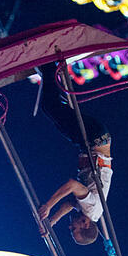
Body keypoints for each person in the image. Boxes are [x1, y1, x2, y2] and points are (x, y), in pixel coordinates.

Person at [35, 61, 112, 245]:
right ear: (85, 224)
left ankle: (51, 72)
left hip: (90, 142)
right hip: (94, 138)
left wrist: (52, 221)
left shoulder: (89, 212)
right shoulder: (91, 208)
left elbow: (69, 204)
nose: (70, 226)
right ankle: (49, 67)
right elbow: (72, 185)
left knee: (55, 113)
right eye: (74, 229)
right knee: (50, 107)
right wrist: (48, 206)